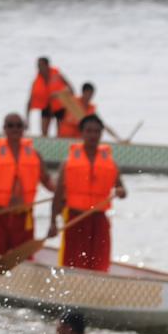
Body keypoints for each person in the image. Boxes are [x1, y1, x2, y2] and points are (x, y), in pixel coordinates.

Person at [51, 115, 126, 271]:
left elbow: (122, 189)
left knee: (99, 263)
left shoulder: (110, 163)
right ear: (82, 133)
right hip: (75, 219)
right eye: (89, 131)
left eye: (96, 131)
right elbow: (58, 195)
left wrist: (120, 191)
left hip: (99, 219)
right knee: (73, 263)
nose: (93, 135)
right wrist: (53, 222)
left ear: (101, 134)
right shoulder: (68, 163)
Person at [0, 113, 55, 255]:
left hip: (24, 217)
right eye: (10, 125)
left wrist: (62, 193)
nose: (15, 129)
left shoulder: (35, 155)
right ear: (4, 128)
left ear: (24, 129)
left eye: (19, 126)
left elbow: (47, 181)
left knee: (23, 258)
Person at [27, 58, 73, 138]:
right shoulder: (36, 81)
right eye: (38, 65)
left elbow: (71, 90)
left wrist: (59, 94)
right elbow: (30, 100)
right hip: (46, 106)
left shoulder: (58, 75)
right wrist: (27, 118)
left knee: (61, 133)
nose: (38, 68)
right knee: (44, 133)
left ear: (47, 65)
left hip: (59, 106)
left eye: (40, 65)